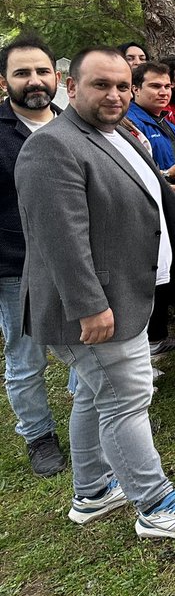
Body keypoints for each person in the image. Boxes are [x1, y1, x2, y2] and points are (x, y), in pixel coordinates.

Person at [15, 47, 175, 538]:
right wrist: (90, 307)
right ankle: (155, 505)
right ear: (72, 87)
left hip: (120, 296)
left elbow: (145, 195)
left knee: (94, 395)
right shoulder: (52, 146)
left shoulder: (118, 133)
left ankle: (91, 492)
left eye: (123, 86)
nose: (115, 94)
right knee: (127, 397)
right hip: (91, 307)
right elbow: (58, 236)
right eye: (101, 85)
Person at [0, 34, 67, 477]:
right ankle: (39, 435)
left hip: (75, 259)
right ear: (4, 81)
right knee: (26, 357)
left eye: (42, 71)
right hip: (14, 264)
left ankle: (94, 416)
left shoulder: (73, 122)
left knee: (86, 341)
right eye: (22, 73)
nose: (35, 80)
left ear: (57, 77)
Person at [124, 63, 175, 356]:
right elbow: (140, 173)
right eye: (155, 86)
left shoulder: (165, 120)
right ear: (136, 89)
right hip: (148, 216)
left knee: (163, 279)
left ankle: (157, 340)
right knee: (149, 282)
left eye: (167, 86)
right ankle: (145, 352)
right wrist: (170, 173)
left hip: (171, 211)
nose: (164, 92)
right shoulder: (132, 123)